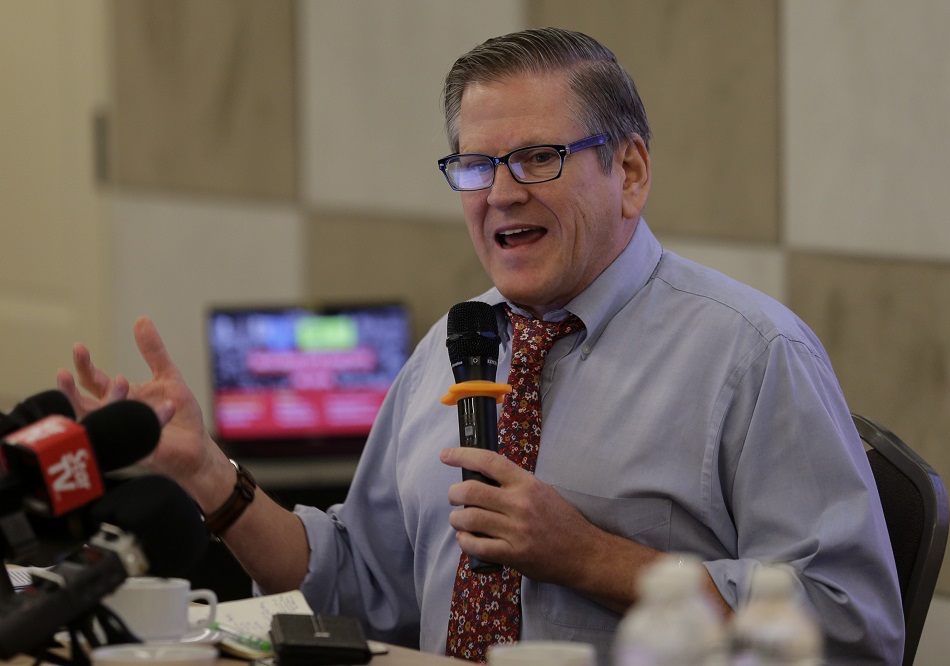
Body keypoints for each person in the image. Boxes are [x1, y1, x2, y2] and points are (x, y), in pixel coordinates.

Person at [57, 28, 903, 664]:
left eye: (538, 158)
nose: (500, 195)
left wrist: (589, 556)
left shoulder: (753, 354)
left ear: (631, 172)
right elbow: (360, 585)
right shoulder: (456, 342)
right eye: (474, 165)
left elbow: (853, 626)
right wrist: (207, 471)